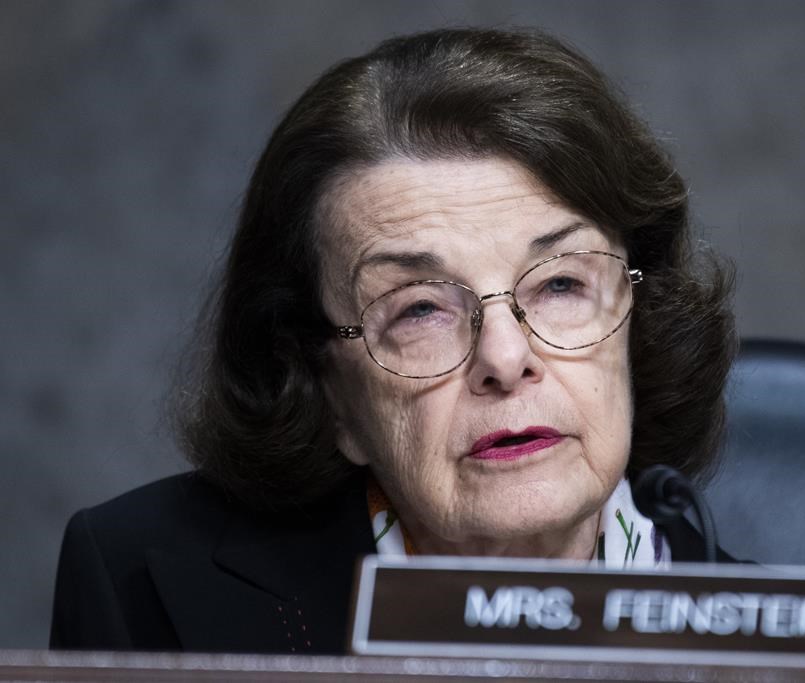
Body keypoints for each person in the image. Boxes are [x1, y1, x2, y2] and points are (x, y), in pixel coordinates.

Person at [49, 27, 736, 653]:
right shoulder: (145, 585)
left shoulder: (785, 648)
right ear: (326, 387)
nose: (505, 359)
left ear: (640, 318)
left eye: (560, 284)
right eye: (420, 310)